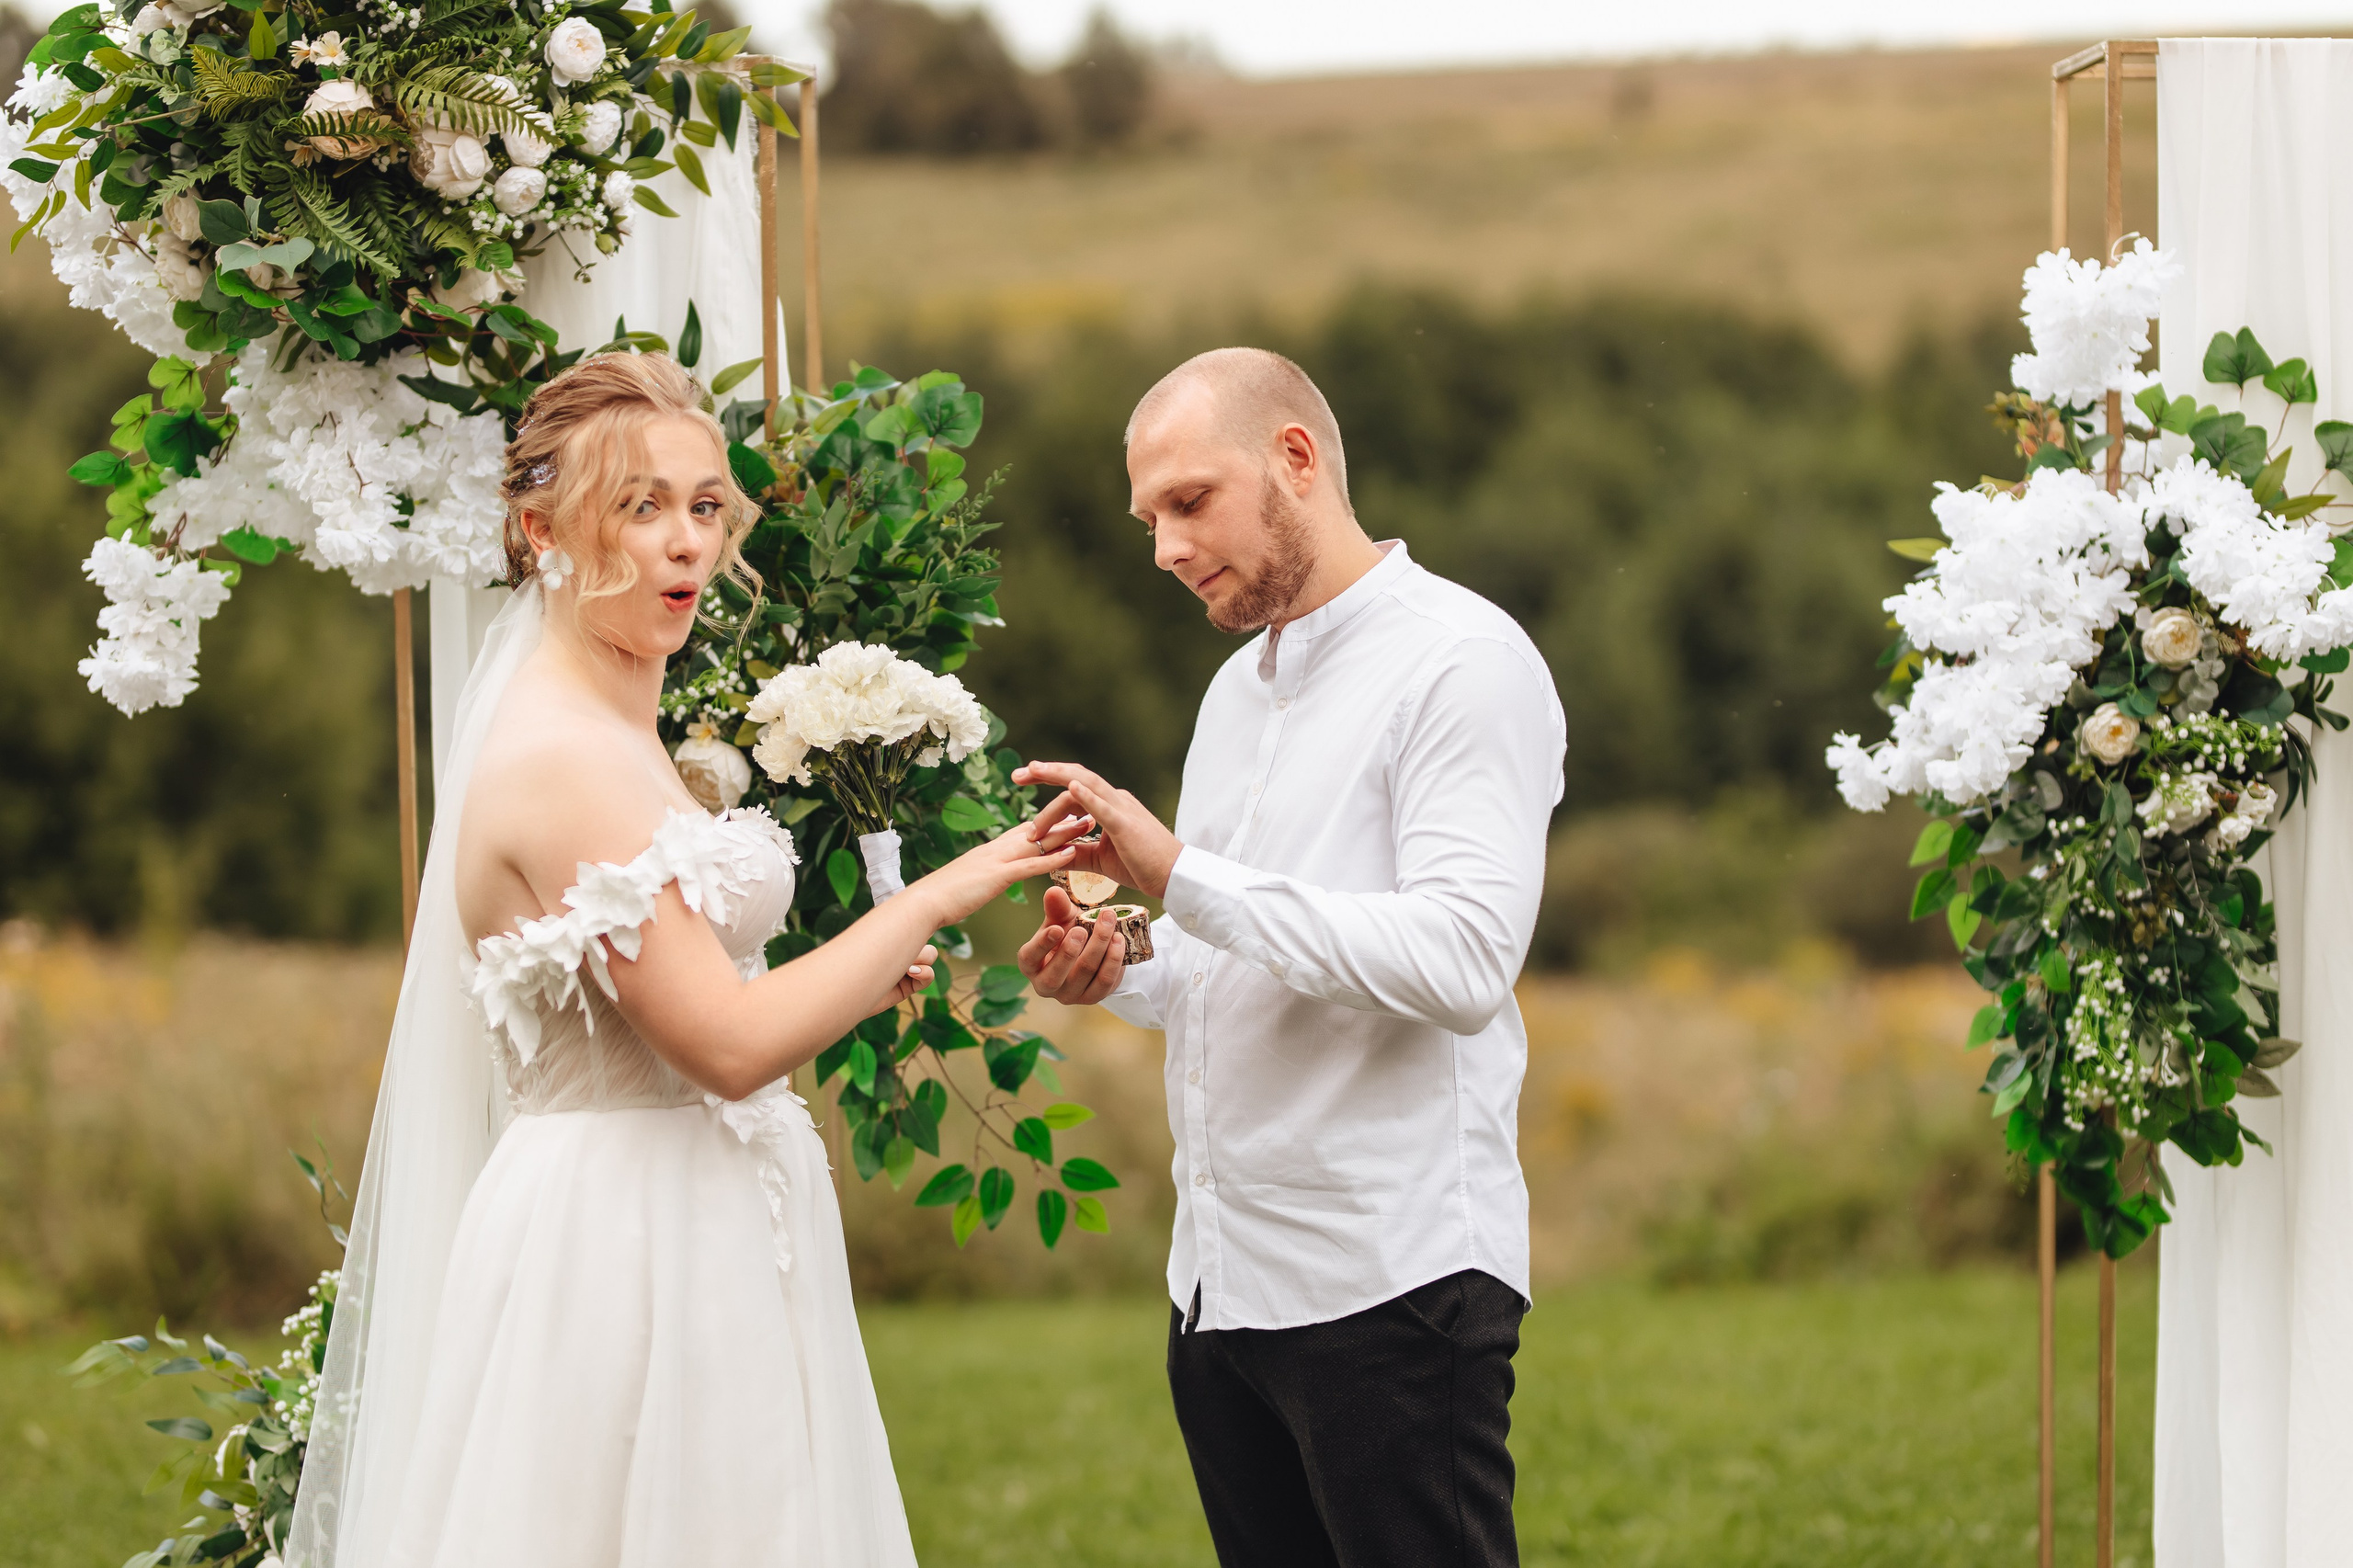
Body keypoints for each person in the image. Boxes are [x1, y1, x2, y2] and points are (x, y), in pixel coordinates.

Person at [287, 352, 1079, 1567]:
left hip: (704, 1212)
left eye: (705, 505)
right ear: (541, 529)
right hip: (622, 1241)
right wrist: (938, 895)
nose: (686, 543)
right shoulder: (562, 756)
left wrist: (855, 971)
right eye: (640, 506)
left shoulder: (621, 729)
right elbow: (724, 1045)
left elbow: (694, 995)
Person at [1015, 347, 1566, 1568]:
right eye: (1148, 520)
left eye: (1189, 501)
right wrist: (1121, 963)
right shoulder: (1232, 696)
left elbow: (1463, 961)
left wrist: (1175, 874)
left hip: (1391, 1283)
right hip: (1220, 1288)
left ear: (1296, 459)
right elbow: (1233, 954)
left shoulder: (1462, 662)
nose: (1164, 548)